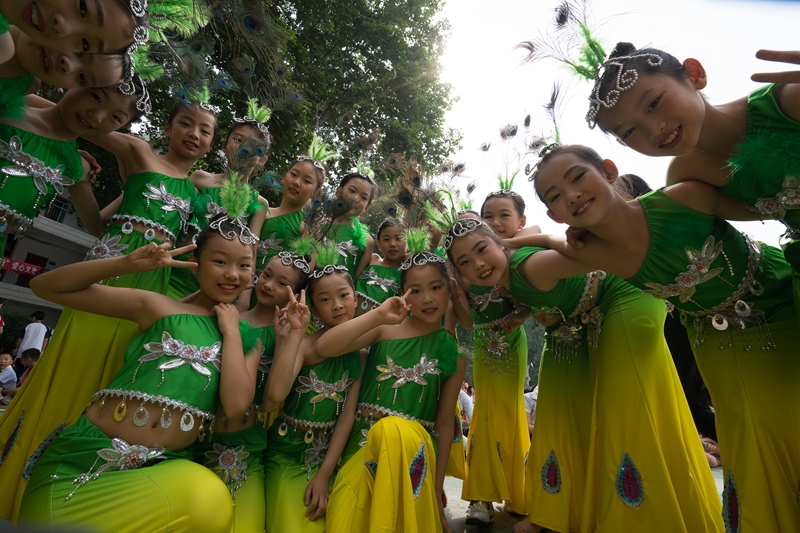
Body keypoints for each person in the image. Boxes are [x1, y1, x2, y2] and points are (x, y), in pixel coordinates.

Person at [528, 143, 800, 533]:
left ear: (608, 171)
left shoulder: (680, 198)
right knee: (746, 446)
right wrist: (508, 243)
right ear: (554, 213)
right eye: (555, 196)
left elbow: (769, 206)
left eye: (577, 177)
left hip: (778, 302)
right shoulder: (594, 253)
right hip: (714, 340)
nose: (571, 194)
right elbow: (550, 248)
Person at [0, 97, 214, 522]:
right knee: (73, 361)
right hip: (114, 269)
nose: (193, 134)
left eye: (204, 130)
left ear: (211, 142)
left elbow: (99, 220)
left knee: (112, 373)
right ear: (168, 127)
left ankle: (71, 483)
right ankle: (21, 476)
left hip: (153, 279)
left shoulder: (197, 189)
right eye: (185, 123)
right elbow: (79, 117)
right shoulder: (139, 152)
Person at [447, 218, 723, 533]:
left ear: (500, 243)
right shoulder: (505, 278)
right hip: (576, 324)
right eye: (465, 262)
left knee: (623, 409)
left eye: (483, 249)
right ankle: (557, 511)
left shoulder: (531, 268)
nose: (478, 264)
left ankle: (642, 519)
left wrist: (558, 242)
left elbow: (592, 259)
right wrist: (521, 311)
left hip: (625, 299)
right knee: (560, 412)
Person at [17, 206, 261, 530]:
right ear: (197, 263)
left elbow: (235, 406)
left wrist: (231, 330)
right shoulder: (157, 306)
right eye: (220, 261)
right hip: (82, 462)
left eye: (244, 265)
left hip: (161, 476)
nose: (232, 274)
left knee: (210, 499)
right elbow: (47, 287)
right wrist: (126, 263)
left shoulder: (244, 340)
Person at [586, 43, 800, 331]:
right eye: (630, 131)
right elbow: (649, 222)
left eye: (653, 104)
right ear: (623, 144)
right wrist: (593, 225)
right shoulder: (687, 175)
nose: (654, 129)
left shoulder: (786, 103)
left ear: (694, 74)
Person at [318, 228, 466, 533]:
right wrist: (376, 316)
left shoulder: (453, 350)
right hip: (362, 446)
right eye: (415, 290)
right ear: (401, 292)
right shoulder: (385, 329)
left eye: (436, 287)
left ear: (450, 290)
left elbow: (444, 424)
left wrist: (436, 494)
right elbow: (325, 347)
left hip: (412, 457)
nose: (426, 299)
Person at [196, 249, 310, 532]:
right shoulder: (225, 315)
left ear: (297, 294)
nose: (268, 285)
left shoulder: (289, 335)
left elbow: (273, 401)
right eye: (267, 274)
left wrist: (287, 339)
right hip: (196, 439)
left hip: (245, 448)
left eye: (282, 283)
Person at [262, 243, 363, 532]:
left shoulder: (362, 355)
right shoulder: (306, 346)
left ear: (356, 299)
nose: (338, 305)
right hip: (284, 453)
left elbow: (347, 414)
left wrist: (325, 473)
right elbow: (273, 399)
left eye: (344, 295)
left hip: (325, 460)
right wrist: (292, 336)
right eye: (325, 300)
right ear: (315, 309)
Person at [455, 196, 531, 524]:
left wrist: (521, 312)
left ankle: (519, 491)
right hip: (486, 346)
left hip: (514, 343)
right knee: (484, 413)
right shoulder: (462, 271)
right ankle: (480, 499)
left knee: (512, 412)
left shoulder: (505, 256)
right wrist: (454, 283)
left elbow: (533, 295)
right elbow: (468, 323)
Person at [322, 171, 376, 281]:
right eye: (352, 191)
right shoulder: (317, 224)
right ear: (338, 191)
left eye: (364, 197)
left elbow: (355, 281)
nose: (356, 198)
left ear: (367, 207)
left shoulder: (367, 241)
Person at [355, 217, 404, 314]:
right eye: (386, 239)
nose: (392, 244)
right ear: (379, 245)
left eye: (399, 238)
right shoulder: (372, 259)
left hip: (383, 327)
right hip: (354, 322)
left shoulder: (406, 272)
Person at [12, 311, 47, 378]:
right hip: (36, 353)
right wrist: (42, 350)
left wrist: (16, 348)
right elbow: (45, 340)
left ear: (34, 317)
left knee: (17, 371)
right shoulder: (46, 327)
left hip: (23, 351)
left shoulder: (28, 325)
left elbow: (20, 338)